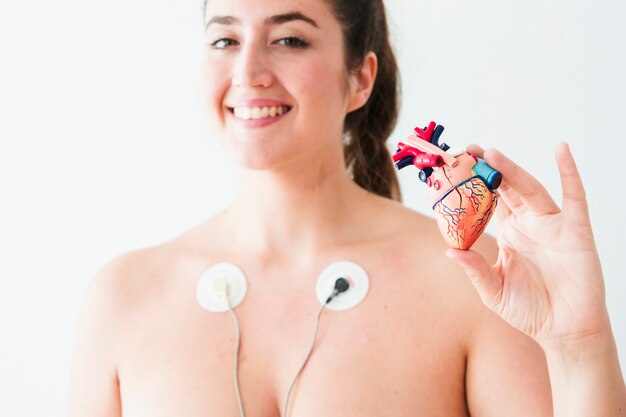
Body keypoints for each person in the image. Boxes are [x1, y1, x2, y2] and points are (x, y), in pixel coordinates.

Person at [67, 0, 626, 415]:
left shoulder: (471, 277)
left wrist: (579, 343)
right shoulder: (123, 298)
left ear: (360, 78)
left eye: (289, 40)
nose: (248, 72)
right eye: (225, 40)